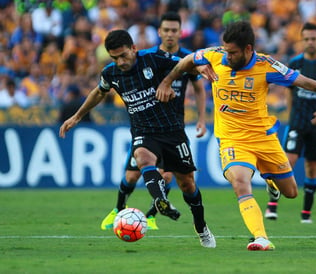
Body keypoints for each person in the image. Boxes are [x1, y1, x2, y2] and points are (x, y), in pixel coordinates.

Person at [156, 21, 316, 251]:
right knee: (240, 182)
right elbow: (188, 60)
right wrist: (168, 81)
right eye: (226, 51)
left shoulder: (266, 65)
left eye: (233, 52)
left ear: (248, 49)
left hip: (263, 138)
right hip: (232, 139)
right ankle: (260, 237)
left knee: (290, 192)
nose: (227, 57)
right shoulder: (215, 54)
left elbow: (308, 83)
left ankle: (270, 179)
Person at [59, 28, 215, 248]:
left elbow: (184, 62)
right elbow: (99, 92)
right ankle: (160, 199)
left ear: (134, 48)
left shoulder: (153, 58)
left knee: (187, 184)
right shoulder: (111, 73)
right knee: (142, 157)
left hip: (172, 130)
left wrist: (192, 69)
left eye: (123, 55)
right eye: (114, 58)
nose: (120, 61)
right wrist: (77, 116)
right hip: (143, 131)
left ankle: (202, 228)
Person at [100, 11, 207, 231]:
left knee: (168, 175)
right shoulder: (146, 58)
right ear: (159, 32)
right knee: (132, 174)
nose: (170, 35)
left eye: (174, 30)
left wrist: (202, 118)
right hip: (146, 126)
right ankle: (118, 209)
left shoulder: (186, 59)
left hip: (173, 124)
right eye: (166, 30)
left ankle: (151, 214)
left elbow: (198, 86)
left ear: (180, 32)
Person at [264, 22, 316, 223]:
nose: (310, 42)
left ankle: (306, 214)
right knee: (286, 162)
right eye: (306, 39)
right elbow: (289, 91)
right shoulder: (296, 62)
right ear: (302, 40)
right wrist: (292, 114)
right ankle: (272, 206)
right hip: (297, 122)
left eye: (313, 39)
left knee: (312, 167)